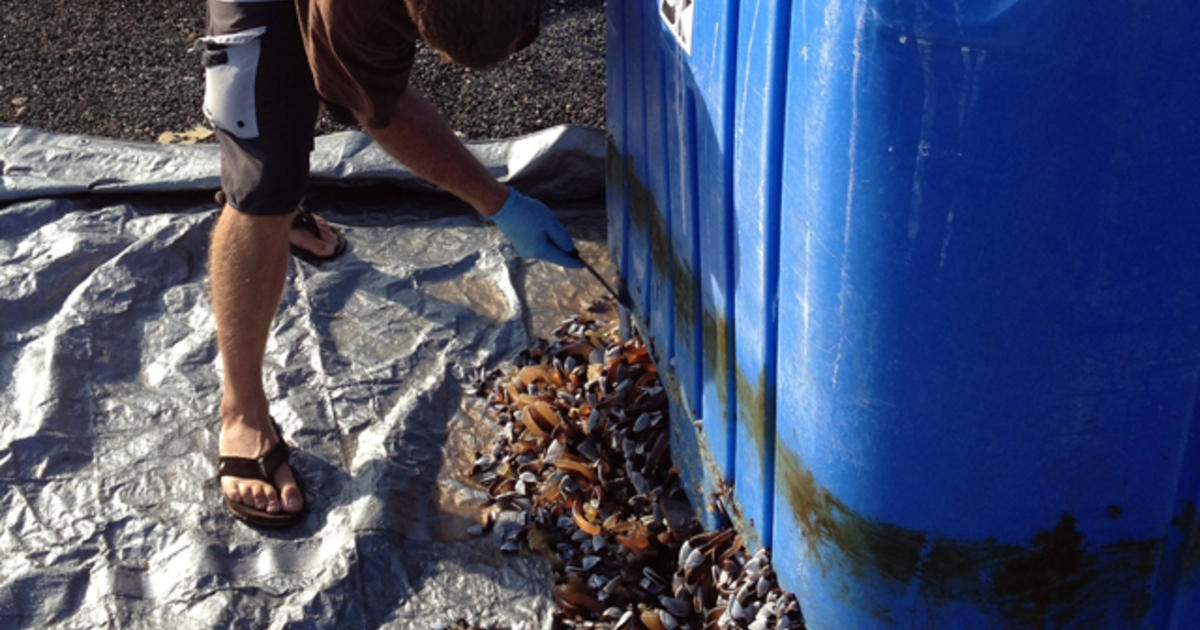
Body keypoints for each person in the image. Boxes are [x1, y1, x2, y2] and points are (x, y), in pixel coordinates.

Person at [203, 0, 581, 527]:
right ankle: (241, 410)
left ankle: (277, 204)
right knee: (264, 175)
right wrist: (499, 202)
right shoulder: (352, 13)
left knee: (296, 131)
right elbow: (385, 113)